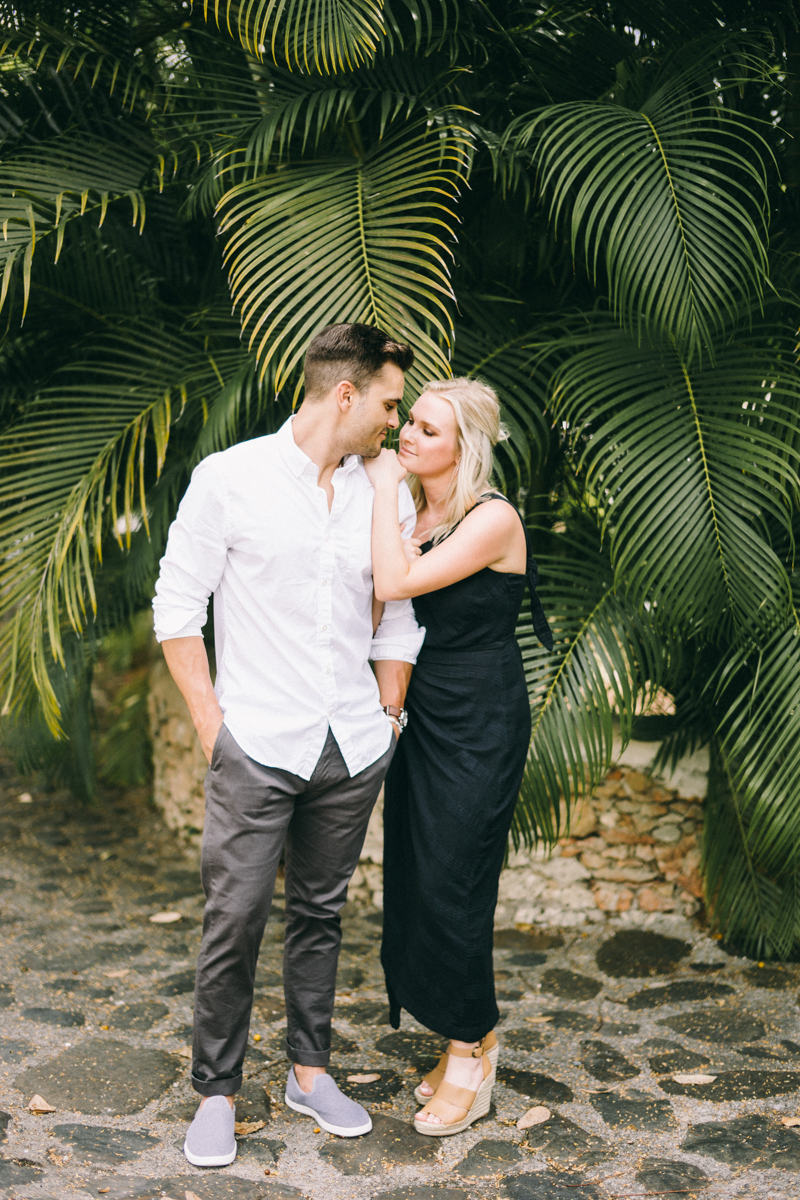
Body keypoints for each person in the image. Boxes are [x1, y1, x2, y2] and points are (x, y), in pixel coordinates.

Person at [152, 323, 425, 1166]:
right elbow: (176, 606)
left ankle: (310, 1072)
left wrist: (386, 717)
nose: (395, 420)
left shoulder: (387, 488)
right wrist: (212, 726)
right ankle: (218, 1093)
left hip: (349, 742)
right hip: (257, 742)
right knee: (233, 917)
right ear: (344, 394)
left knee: (320, 913)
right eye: (387, 402)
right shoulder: (229, 480)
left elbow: (400, 609)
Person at [364, 376, 553, 1137]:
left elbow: (395, 581)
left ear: (464, 447)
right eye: (408, 421)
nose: (408, 435)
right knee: (415, 873)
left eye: (428, 430)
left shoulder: (490, 517)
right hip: (428, 711)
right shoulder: (425, 510)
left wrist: (381, 488)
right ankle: (466, 1036)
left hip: (480, 715)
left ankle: (472, 1063)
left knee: (456, 881)